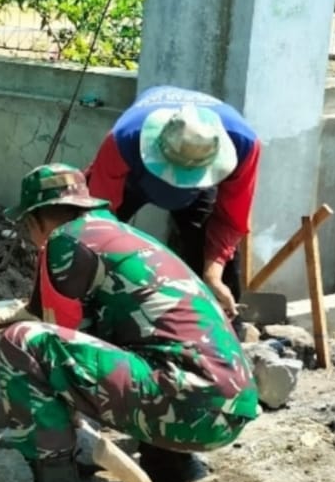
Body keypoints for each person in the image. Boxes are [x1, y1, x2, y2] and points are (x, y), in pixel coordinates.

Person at [0, 165, 259, 482]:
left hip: (187, 406)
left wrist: (46, 416)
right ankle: (168, 461)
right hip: (225, 410)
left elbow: (61, 331)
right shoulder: (126, 237)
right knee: (142, 345)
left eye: (29, 226)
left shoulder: (67, 240)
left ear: (37, 218)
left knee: (23, 341)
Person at [84, 86, 260, 324]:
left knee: (219, 274)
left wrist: (212, 276)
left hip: (201, 189)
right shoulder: (124, 140)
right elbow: (97, 217)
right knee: (85, 252)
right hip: (134, 177)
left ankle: (222, 336)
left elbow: (231, 219)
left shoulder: (244, 145)